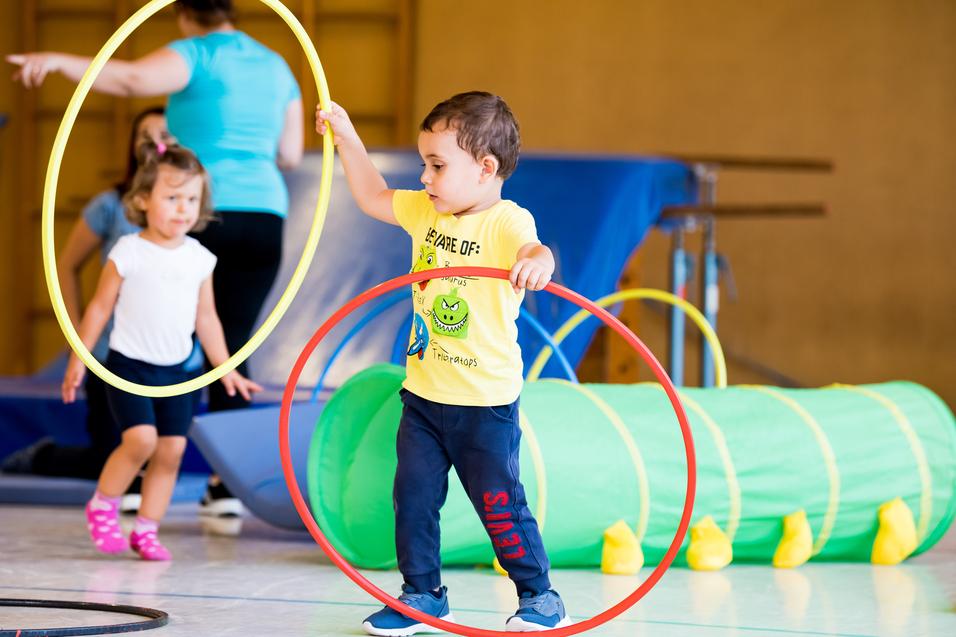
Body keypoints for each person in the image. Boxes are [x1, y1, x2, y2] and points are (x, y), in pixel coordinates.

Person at [9, 0, 304, 517]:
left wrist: (58, 60)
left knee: (156, 334)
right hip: (266, 216)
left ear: (185, 13)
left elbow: (126, 80)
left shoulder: (197, 54)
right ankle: (224, 486)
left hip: (203, 209)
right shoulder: (276, 65)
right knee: (228, 346)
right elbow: (291, 154)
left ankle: (132, 459)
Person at [316, 92, 571, 634]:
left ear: (485, 169)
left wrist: (536, 265)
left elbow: (535, 249)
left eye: (437, 165)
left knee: (500, 505)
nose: (425, 178)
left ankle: (539, 594)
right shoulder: (425, 212)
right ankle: (423, 594)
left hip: (485, 406)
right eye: (423, 165)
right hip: (425, 398)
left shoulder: (504, 220)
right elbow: (371, 195)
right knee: (412, 499)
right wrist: (346, 135)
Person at [62, 142, 261, 561]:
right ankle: (102, 505)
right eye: (171, 198)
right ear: (141, 200)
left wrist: (227, 369)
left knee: (171, 450)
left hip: (180, 373)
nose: (182, 208)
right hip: (129, 366)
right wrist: (78, 357)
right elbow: (100, 308)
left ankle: (147, 529)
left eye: (191, 199)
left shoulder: (200, 259)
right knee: (141, 440)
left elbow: (207, 319)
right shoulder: (128, 251)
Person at [1, 107, 172, 514]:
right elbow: (66, 265)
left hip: (169, 359)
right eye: (144, 137)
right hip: (115, 357)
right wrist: (78, 333)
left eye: (164, 135)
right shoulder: (110, 206)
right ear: (133, 148)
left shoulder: (188, 206)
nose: (155, 145)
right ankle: (44, 455)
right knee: (114, 455)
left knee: (160, 454)